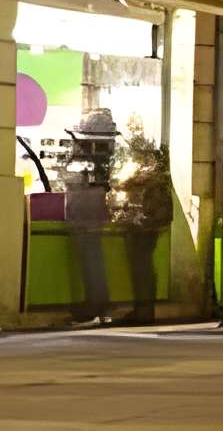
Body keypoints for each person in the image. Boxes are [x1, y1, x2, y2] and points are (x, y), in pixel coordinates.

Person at [63, 108, 118, 326]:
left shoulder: (87, 160)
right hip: (90, 216)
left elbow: (73, 183)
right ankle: (98, 304)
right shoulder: (103, 160)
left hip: (84, 217)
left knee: (92, 262)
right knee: (93, 261)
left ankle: (97, 305)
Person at [111, 123, 170, 324]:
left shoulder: (148, 174)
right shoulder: (154, 172)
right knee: (143, 268)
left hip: (143, 226)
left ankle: (144, 310)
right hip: (146, 224)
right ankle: (144, 309)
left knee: (142, 268)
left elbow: (123, 183)